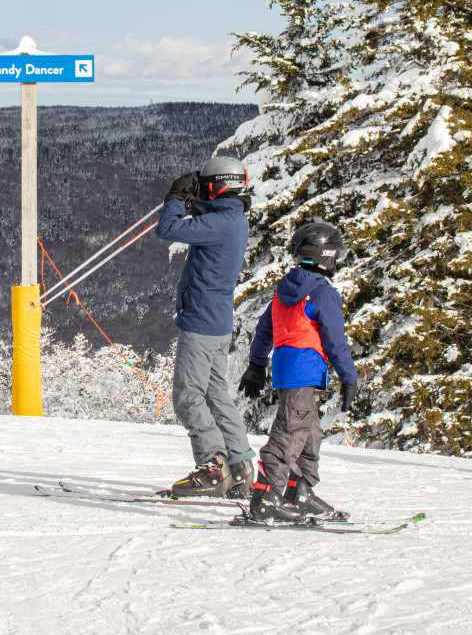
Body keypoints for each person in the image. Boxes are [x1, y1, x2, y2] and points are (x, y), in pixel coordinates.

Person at [238, 221, 359, 522]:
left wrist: (256, 365)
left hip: (286, 368)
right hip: (303, 369)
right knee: (290, 432)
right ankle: (266, 498)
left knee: (309, 432)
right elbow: (335, 340)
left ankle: (299, 490)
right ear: (327, 256)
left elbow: (264, 330)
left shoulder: (285, 289)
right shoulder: (322, 293)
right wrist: (349, 377)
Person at [154, 156, 256, 498]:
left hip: (201, 320)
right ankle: (240, 465)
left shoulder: (220, 224)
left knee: (187, 396)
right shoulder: (233, 218)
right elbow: (209, 215)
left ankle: (212, 466)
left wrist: (175, 197)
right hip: (218, 320)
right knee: (214, 392)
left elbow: (166, 229)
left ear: (218, 187)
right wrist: (195, 197)